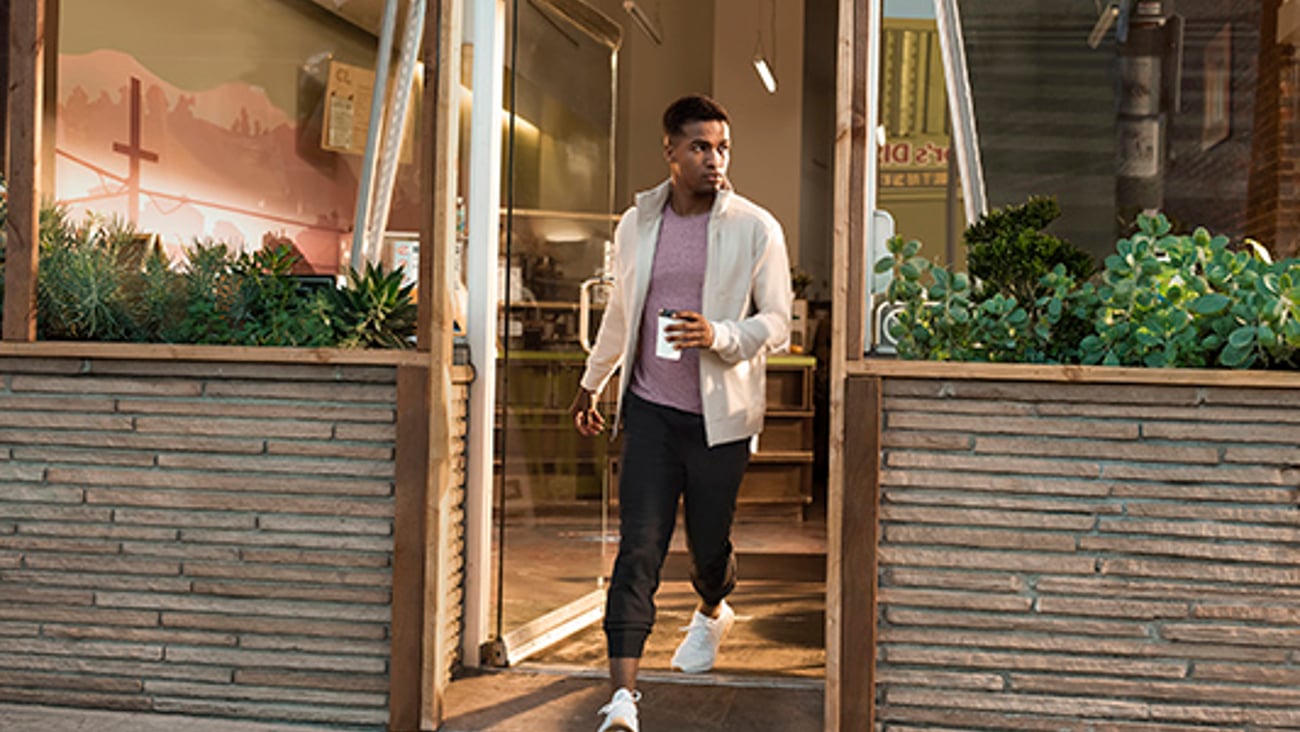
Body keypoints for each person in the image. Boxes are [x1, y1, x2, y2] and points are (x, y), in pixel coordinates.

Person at [569, 94, 792, 732]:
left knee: (707, 546)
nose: (713, 160)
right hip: (649, 411)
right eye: (699, 147)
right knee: (638, 546)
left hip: (720, 419)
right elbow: (621, 313)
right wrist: (593, 384)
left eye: (721, 147)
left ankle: (712, 608)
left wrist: (719, 334)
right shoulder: (636, 223)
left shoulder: (756, 226)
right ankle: (622, 700)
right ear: (669, 150)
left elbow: (777, 322)